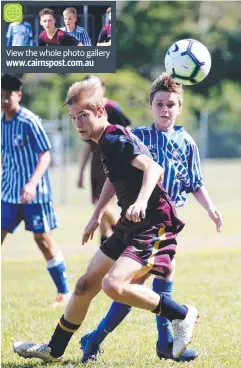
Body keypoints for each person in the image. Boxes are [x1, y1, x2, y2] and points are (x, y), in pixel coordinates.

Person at [13, 78, 199, 364]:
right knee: (85, 285)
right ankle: (55, 349)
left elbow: (153, 167)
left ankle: (181, 314)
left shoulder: (115, 139)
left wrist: (139, 201)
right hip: (129, 224)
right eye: (74, 118)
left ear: (101, 111)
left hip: (152, 224)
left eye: (83, 116)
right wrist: (96, 215)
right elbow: (114, 179)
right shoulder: (104, 141)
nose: (78, 124)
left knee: (114, 285)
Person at [79, 73, 223, 363]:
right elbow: (112, 179)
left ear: (180, 107)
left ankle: (136, 341)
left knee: (150, 281)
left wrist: (210, 208)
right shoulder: (137, 137)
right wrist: (96, 215)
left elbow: (194, 182)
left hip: (167, 223)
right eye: (159, 104)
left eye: (171, 104)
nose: (165, 109)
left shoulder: (187, 143)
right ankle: (115, 340)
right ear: (151, 106)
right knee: (137, 284)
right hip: (141, 225)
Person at [1, 74, 71, 307]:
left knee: (43, 240)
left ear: (18, 96)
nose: (3, 101)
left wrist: (31, 183)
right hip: (8, 192)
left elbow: (46, 154)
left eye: (7, 96)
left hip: (35, 194)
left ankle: (64, 293)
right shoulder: (2, 123)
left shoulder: (29, 121)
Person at [78, 75, 131, 245]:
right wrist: (80, 172)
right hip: (96, 163)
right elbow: (87, 145)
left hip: (110, 160)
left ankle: (128, 234)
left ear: (102, 88)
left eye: (95, 87)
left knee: (102, 204)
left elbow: (127, 131)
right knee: (98, 205)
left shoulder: (111, 108)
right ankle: (107, 246)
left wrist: (123, 155)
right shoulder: (86, 111)